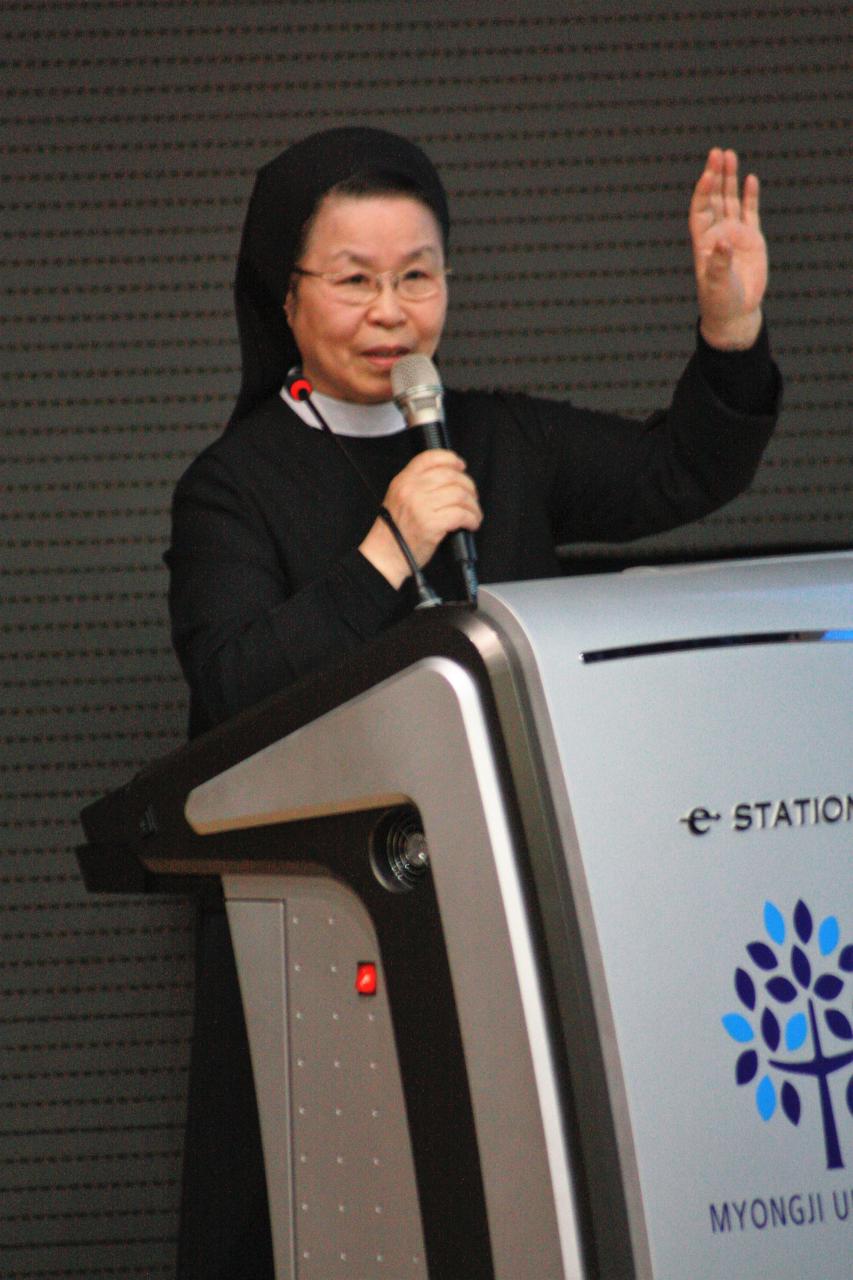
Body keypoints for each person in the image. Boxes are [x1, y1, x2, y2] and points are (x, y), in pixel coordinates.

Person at [165, 126, 780, 1277]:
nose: (390, 310)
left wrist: (728, 332)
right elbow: (232, 687)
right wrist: (386, 551)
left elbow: (683, 471)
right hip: (326, 923)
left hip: (509, 905)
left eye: (417, 275)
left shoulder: (497, 438)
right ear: (285, 298)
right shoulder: (232, 486)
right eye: (353, 279)